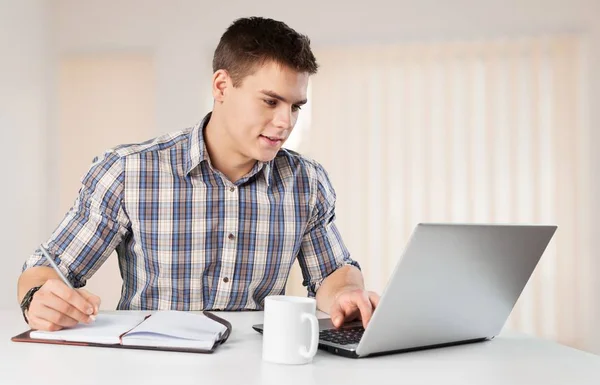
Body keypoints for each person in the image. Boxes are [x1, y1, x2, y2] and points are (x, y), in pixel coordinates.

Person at [17, 16, 379, 332]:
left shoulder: (306, 182)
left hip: (257, 369)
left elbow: (333, 272)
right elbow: (45, 271)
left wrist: (347, 294)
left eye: (295, 106)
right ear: (221, 86)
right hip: (150, 367)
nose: (285, 122)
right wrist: (39, 298)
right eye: (270, 101)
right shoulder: (129, 171)